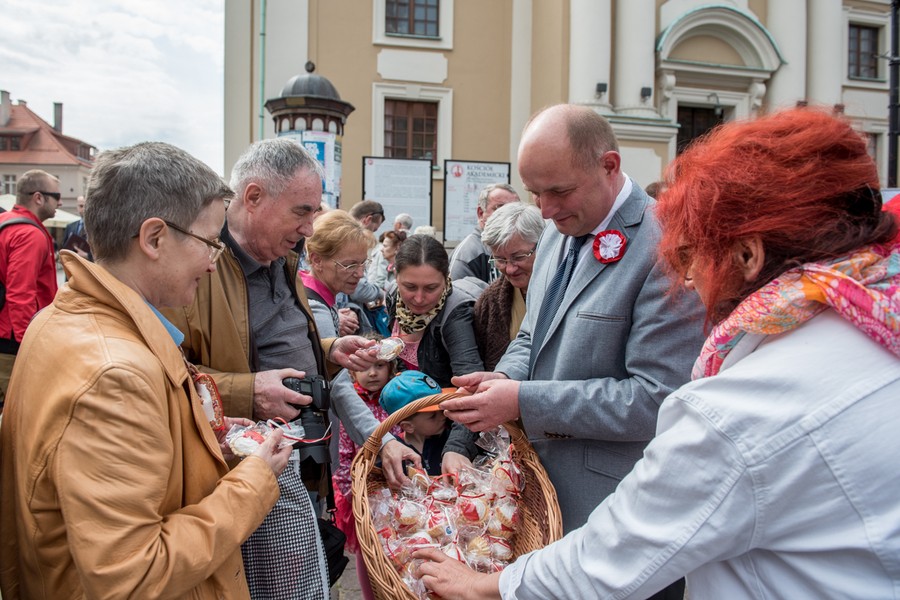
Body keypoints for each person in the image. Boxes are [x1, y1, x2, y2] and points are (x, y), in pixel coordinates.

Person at [416, 107, 900, 600]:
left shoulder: (736, 411)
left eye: (691, 257)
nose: (686, 280)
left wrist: (483, 587)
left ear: (748, 256)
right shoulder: (870, 328)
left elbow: (617, 551)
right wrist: (504, 385)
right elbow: (534, 336)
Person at [0, 142, 293, 598]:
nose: (213, 265)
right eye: (208, 243)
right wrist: (254, 481)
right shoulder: (116, 374)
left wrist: (197, 439)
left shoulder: (61, 319)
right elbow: (132, 576)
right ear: (154, 238)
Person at [441, 104, 706, 550]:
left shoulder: (665, 244)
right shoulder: (557, 233)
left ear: (609, 166)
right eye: (535, 193)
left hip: (619, 506)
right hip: (545, 494)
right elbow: (533, 336)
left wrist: (522, 400)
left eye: (558, 192)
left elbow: (656, 398)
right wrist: (504, 377)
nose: (544, 211)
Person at [162, 138, 417, 599]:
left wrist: (330, 348)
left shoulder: (281, 256)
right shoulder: (198, 265)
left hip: (298, 461)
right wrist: (246, 391)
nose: (309, 226)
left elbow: (286, 346)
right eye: (302, 211)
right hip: (237, 476)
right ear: (254, 197)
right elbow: (164, 375)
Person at [332, 341, 401, 600]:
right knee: (367, 548)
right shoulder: (350, 405)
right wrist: (350, 493)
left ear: (390, 368)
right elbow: (344, 454)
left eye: (380, 365)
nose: (373, 373)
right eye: (365, 367)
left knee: (393, 542)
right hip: (361, 492)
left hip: (392, 487)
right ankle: (369, 594)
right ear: (351, 372)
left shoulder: (395, 402)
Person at [386, 234, 485, 389]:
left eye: (431, 288)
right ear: (395, 276)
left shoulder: (456, 313)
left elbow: (469, 383)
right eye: (410, 287)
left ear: (446, 279)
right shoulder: (393, 295)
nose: (419, 298)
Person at [0, 169, 60, 410]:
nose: (59, 201)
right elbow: (20, 294)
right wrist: (30, 345)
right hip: (12, 341)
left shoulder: (5, 222)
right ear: (38, 198)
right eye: (56, 195)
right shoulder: (29, 235)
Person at [473, 202, 545, 370]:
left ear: (543, 244)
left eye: (519, 257)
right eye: (500, 259)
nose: (510, 268)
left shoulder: (565, 289)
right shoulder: (489, 302)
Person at [301, 210, 376, 337]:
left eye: (363, 263)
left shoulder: (305, 289)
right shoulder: (317, 311)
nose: (360, 273)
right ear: (317, 260)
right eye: (349, 265)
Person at [379, 369, 450, 476]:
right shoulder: (394, 450)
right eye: (433, 415)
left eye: (441, 410)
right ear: (408, 426)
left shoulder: (450, 438)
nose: (443, 415)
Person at [449, 183, 520, 284]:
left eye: (514, 210)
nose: (508, 215)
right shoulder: (468, 255)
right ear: (481, 213)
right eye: (500, 208)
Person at [62, 194, 91, 259]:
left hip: (88, 266)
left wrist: (87, 256)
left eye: (86, 206)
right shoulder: (70, 226)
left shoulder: (94, 227)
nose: (83, 209)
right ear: (77, 207)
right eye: (81, 206)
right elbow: (64, 247)